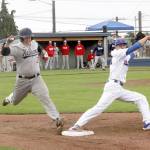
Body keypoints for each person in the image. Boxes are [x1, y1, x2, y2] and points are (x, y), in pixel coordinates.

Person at [64, 36, 150, 136]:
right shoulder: (117, 53)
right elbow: (134, 47)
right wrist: (147, 37)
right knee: (98, 108)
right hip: (113, 87)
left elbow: (132, 53)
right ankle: (76, 126)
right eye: (121, 45)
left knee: (141, 98)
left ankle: (147, 123)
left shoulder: (123, 55)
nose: (123, 46)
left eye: (124, 45)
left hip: (118, 88)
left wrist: (142, 44)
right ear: (117, 46)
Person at [0, 28, 64, 134]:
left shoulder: (34, 43)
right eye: (26, 37)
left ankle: (57, 119)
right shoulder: (16, 48)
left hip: (37, 79)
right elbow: (5, 52)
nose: (29, 39)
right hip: (22, 81)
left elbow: (40, 48)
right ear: (22, 38)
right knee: (15, 101)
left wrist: (44, 54)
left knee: (45, 97)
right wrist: (7, 42)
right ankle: (10, 98)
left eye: (30, 36)